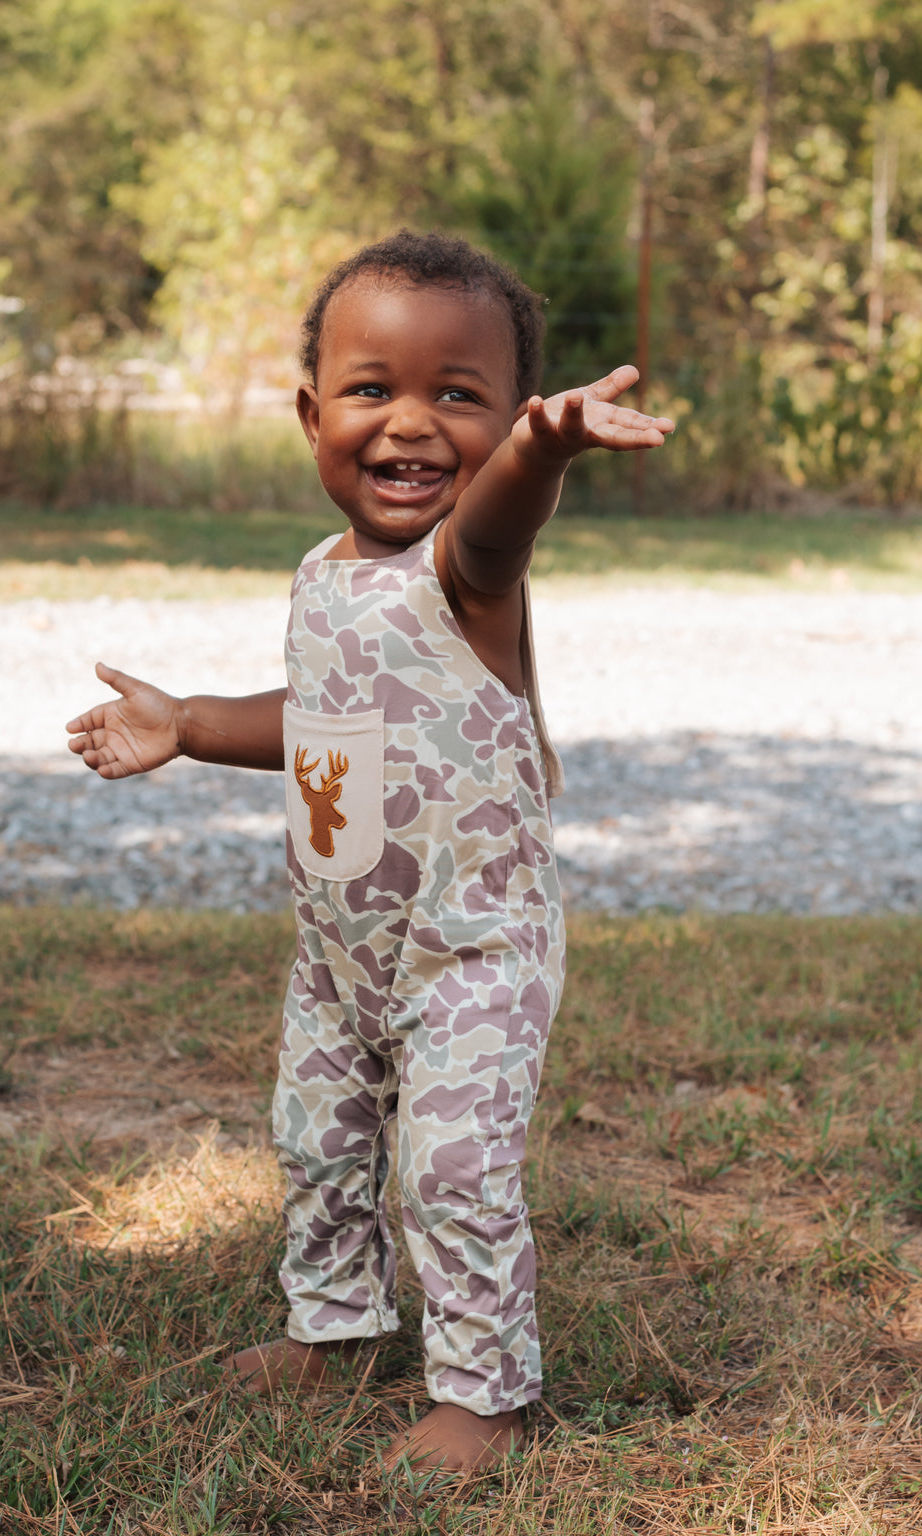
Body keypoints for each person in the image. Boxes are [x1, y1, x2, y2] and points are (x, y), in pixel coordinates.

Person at [66, 229, 673, 1474]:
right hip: (341, 947)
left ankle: (483, 1392)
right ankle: (333, 1326)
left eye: (461, 396)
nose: (411, 424)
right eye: (371, 390)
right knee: (319, 1135)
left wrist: (540, 453)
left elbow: (500, 519)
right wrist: (185, 724)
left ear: (505, 417)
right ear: (310, 413)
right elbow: (321, 720)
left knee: (450, 1164)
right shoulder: (322, 576)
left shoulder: (467, 574)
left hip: (470, 949)